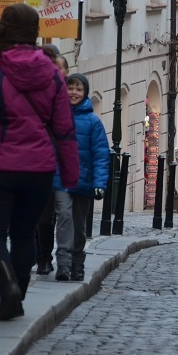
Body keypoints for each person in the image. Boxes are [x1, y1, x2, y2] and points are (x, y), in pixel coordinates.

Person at [0, 4, 79, 321]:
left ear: (4, 31)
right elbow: (64, 129)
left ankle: (6, 286)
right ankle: (18, 296)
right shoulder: (52, 74)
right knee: (25, 235)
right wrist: (70, 174)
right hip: (39, 168)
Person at [52, 73, 109, 281]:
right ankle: (63, 265)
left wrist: (100, 183)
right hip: (59, 179)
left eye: (78, 89)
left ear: (84, 93)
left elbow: (101, 155)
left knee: (79, 223)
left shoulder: (93, 122)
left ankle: (78, 263)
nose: (74, 92)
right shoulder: (55, 116)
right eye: (70, 88)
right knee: (64, 217)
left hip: (83, 180)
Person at [34, 48, 69, 275]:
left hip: (64, 169)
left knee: (65, 216)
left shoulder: (74, 95)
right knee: (42, 217)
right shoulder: (39, 94)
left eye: (59, 68)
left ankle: (65, 261)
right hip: (41, 165)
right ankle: (43, 258)